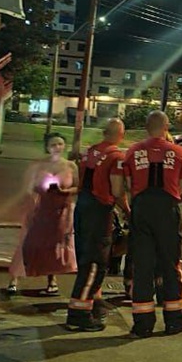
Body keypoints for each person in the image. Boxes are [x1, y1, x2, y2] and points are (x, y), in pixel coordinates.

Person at [121, 110, 182, 338]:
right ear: (166, 126)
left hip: (141, 209)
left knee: (142, 266)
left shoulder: (133, 151)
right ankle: (175, 320)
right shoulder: (177, 152)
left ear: (146, 126)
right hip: (167, 210)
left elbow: (128, 183)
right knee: (171, 264)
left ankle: (142, 324)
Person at [64, 118, 127, 331]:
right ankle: (79, 313)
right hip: (99, 212)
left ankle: (87, 307)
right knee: (96, 263)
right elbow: (117, 191)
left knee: (85, 259)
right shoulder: (116, 157)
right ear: (120, 134)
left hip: (82, 207)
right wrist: (127, 211)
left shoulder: (90, 152)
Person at [7, 133, 79, 296]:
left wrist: (64, 191)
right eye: (53, 144)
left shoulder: (70, 166)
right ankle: (14, 279)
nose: (57, 147)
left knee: (54, 245)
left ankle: (51, 281)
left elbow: (77, 186)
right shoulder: (37, 165)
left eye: (60, 144)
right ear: (46, 147)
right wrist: (35, 199)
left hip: (61, 209)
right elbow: (27, 187)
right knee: (27, 242)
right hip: (39, 208)